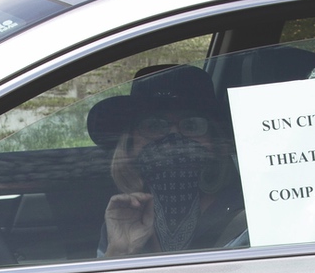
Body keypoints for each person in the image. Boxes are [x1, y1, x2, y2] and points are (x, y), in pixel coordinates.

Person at [88, 64, 244, 257]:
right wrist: (120, 249)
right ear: (130, 144)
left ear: (216, 142)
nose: (173, 140)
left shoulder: (247, 214)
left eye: (192, 125)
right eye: (153, 125)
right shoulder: (124, 215)